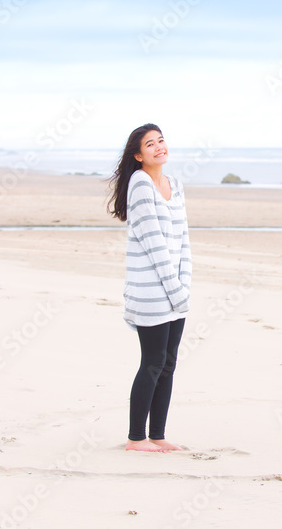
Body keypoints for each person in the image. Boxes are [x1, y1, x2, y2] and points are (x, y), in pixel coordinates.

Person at [106, 123, 192, 452]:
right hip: (151, 291)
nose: (159, 147)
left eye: (161, 140)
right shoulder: (140, 184)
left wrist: (184, 286)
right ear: (139, 156)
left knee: (168, 364)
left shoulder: (175, 185)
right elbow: (155, 244)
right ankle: (135, 438)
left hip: (176, 290)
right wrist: (175, 291)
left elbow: (183, 240)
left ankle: (157, 435)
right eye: (150, 144)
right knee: (153, 362)